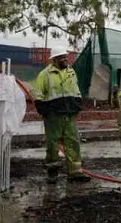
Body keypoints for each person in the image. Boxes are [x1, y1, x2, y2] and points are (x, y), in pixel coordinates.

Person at [34, 46, 90, 183]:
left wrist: (77, 105)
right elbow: (39, 95)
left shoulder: (71, 72)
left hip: (69, 114)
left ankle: (75, 172)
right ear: (55, 59)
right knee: (53, 145)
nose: (65, 59)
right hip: (53, 116)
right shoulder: (45, 74)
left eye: (65, 56)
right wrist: (45, 110)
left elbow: (75, 90)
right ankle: (53, 172)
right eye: (62, 57)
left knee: (73, 142)